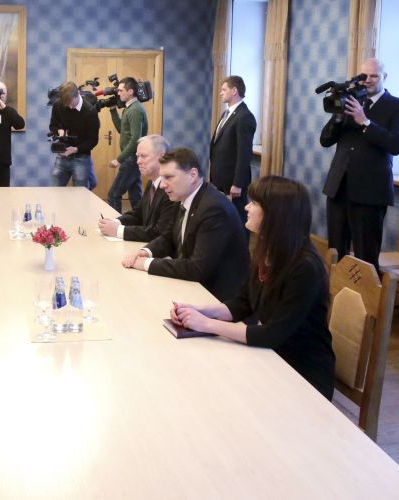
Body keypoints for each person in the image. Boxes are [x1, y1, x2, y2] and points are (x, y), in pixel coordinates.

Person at [171, 176, 336, 400]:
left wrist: (207, 324)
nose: (247, 207)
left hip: (301, 373)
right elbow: (243, 303)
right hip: (271, 357)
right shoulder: (268, 250)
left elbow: (272, 334)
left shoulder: (305, 268)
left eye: (255, 203)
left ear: (276, 214)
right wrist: (199, 311)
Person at [122, 147, 249, 301]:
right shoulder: (182, 195)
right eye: (162, 178)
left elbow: (197, 268)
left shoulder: (214, 209)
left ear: (193, 175)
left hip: (217, 297)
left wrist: (146, 264)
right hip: (193, 286)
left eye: (169, 177)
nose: (162, 185)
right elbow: (168, 237)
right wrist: (145, 252)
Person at [321, 57, 399, 271]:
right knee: (336, 252)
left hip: (370, 193)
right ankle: (336, 291)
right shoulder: (351, 101)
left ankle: (366, 294)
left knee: (366, 257)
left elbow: (396, 144)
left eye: (374, 76)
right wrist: (338, 119)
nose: (368, 80)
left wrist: (365, 122)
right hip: (338, 188)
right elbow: (325, 140)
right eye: (364, 76)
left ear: (385, 77)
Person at [98, 134, 176, 242]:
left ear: (161, 157)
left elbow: (159, 232)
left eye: (143, 156)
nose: (138, 161)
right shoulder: (152, 183)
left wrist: (119, 231)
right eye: (137, 156)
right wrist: (116, 222)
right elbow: (138, 214)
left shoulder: (171, 189)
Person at [209, 75, 256, 226]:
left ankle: (241, 243)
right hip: (221, 179)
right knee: (225, 219)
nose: (221, 93)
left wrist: (237, 183)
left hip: (233, 182)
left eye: (224, 89)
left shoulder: (244, 116)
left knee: (238, 219)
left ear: (234, 90)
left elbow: (244, 153)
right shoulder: (227, 113)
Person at [106, 77, 149, 212]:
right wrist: (113, 110)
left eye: (121, 90)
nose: (118, 93)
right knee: (136, 197)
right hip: (133, 158)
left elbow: (135, 139)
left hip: (131, 159)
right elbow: (121, 129)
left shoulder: (135, 110)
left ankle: (115, 223)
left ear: (130, 91)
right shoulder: (129, 108)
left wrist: (119, 159)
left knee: (113, 195)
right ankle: (141, 222)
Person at [49, 81, 100, 189]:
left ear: (77, 95)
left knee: (80, 193)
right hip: (63, 154)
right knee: (55, 190)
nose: (69, 107)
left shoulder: (90, 112)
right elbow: (53, 125)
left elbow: (93, 140)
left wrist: (76, 149)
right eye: (66, 104)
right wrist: (59, 131)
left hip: (82, 157)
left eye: (71, 103)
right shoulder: (58, 105)